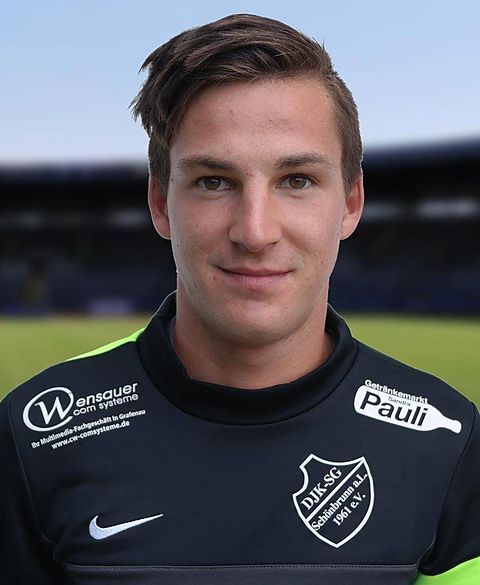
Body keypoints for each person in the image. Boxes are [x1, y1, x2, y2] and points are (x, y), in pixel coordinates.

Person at [0, 13, 478, 585]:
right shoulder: (34, 437)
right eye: (213, 181)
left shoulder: (449, 443)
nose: (255, 232)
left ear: (350, 204)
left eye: (296, 180)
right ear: (160, 204)